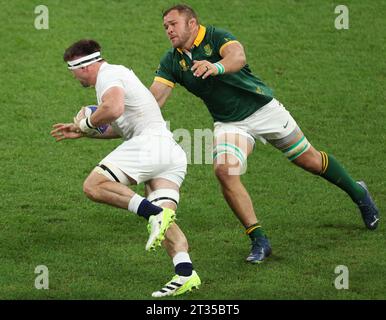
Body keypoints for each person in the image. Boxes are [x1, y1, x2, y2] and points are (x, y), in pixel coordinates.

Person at [149, 4, 380, 264]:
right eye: (166, 26)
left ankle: (359, 193)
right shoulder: (172, 60)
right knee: (225, 171)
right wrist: (118, 115)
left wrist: (217, 67)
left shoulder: (215, 36)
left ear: (191, 24)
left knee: (310, 161)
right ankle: (259, 239)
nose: (168, 30)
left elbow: (238, 57)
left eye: (173, 24)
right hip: (230, 124)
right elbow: (154, 99)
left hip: (263, 110)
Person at [51, 39, 201, 297]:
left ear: (83, 66)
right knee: (165, 224)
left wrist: (86, 122)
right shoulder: (118, 76)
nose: (72, 76)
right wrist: (82, 131)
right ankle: (185, 273)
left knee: (93, 186)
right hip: (169, 153)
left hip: (150, 146)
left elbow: (113, 108)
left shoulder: (108, 75)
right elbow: (116, 126)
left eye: (71, 70)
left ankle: (152, 213)